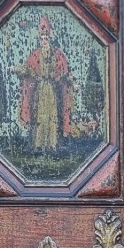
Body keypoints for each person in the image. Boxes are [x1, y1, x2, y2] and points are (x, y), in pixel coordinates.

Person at [14, 17, 74, 152]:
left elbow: (63, 70)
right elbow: (28, 69)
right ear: (40, 40)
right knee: (39, 116)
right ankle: (39, 145)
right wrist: (17, 70)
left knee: (52, 115)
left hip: (52, 90)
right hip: (40, 89)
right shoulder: (35, 54)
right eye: (42, 39)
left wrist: (65, 78)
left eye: (46, 38)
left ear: (49, 39)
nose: (44, 41)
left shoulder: (57, 54)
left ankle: (52, 144)